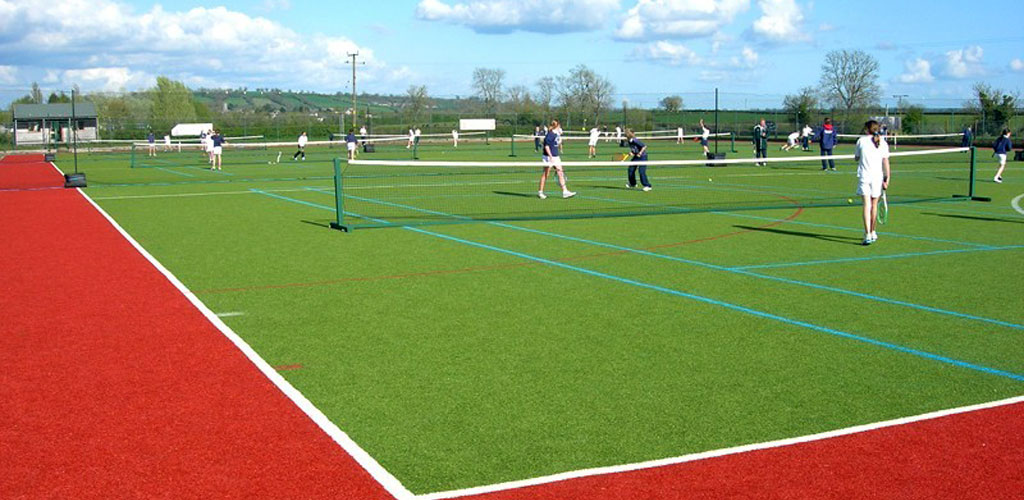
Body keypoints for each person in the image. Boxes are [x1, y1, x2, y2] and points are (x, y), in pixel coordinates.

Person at [854, 120, 891, 245]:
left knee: (867, 205)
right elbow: (886, 162)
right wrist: (887, 179)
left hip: (866, 177)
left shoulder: (861, 141)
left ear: (867, 129)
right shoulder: (883, 143)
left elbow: (856, 158)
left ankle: (868, 234)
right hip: (877, 178)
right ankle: (872, 232)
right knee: (873, 205)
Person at [538, 119, 575, 199]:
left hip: (556, 156)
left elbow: (558, 141)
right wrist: (550, 156)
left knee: (560, 172)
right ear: (557, 126)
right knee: (546, 174)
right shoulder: (550, 135)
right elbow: (546, 146)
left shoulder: (557, 133)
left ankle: (565, 191)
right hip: (548, 157)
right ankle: (540, 192)